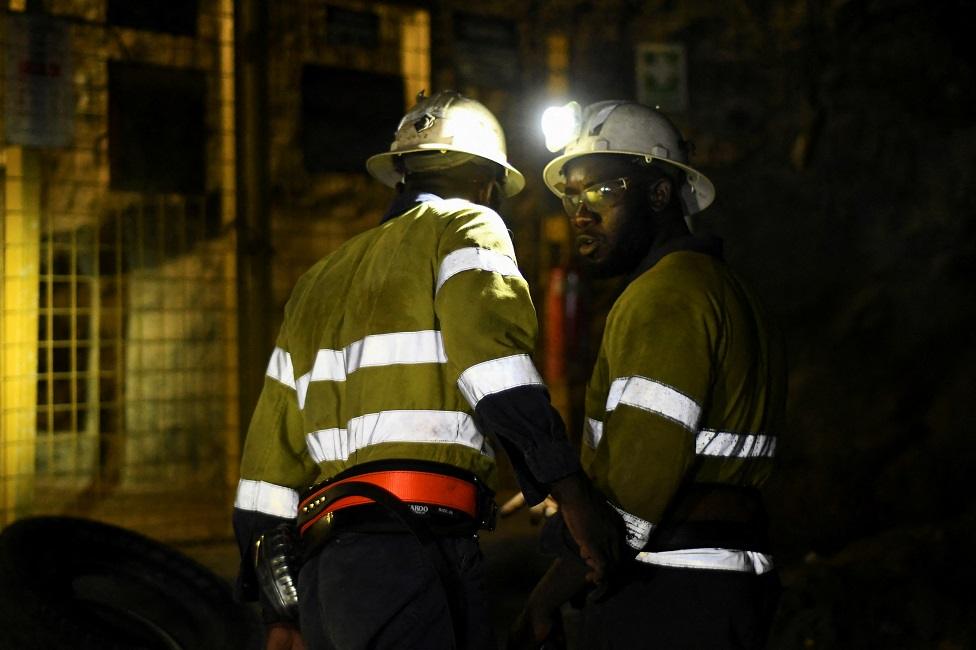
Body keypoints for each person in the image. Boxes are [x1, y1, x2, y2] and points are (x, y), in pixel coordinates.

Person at [231, 90, 618, 650]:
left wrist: (279, 609)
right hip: (414, 551)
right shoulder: (467, 225)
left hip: (324, 576)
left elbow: (267, 467)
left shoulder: (320, 277)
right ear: (487, 181)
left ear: (402, 176)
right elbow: (494, 365)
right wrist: (570, 490)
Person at [509, 101, 787, 649]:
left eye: (601, 191)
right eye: (571, 194)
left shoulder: (666, 294)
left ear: (659, 194)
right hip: (728, 579)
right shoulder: (728, 289)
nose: (580, 211)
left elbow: (638, 484)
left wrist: (549, 592)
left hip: (672, 584)